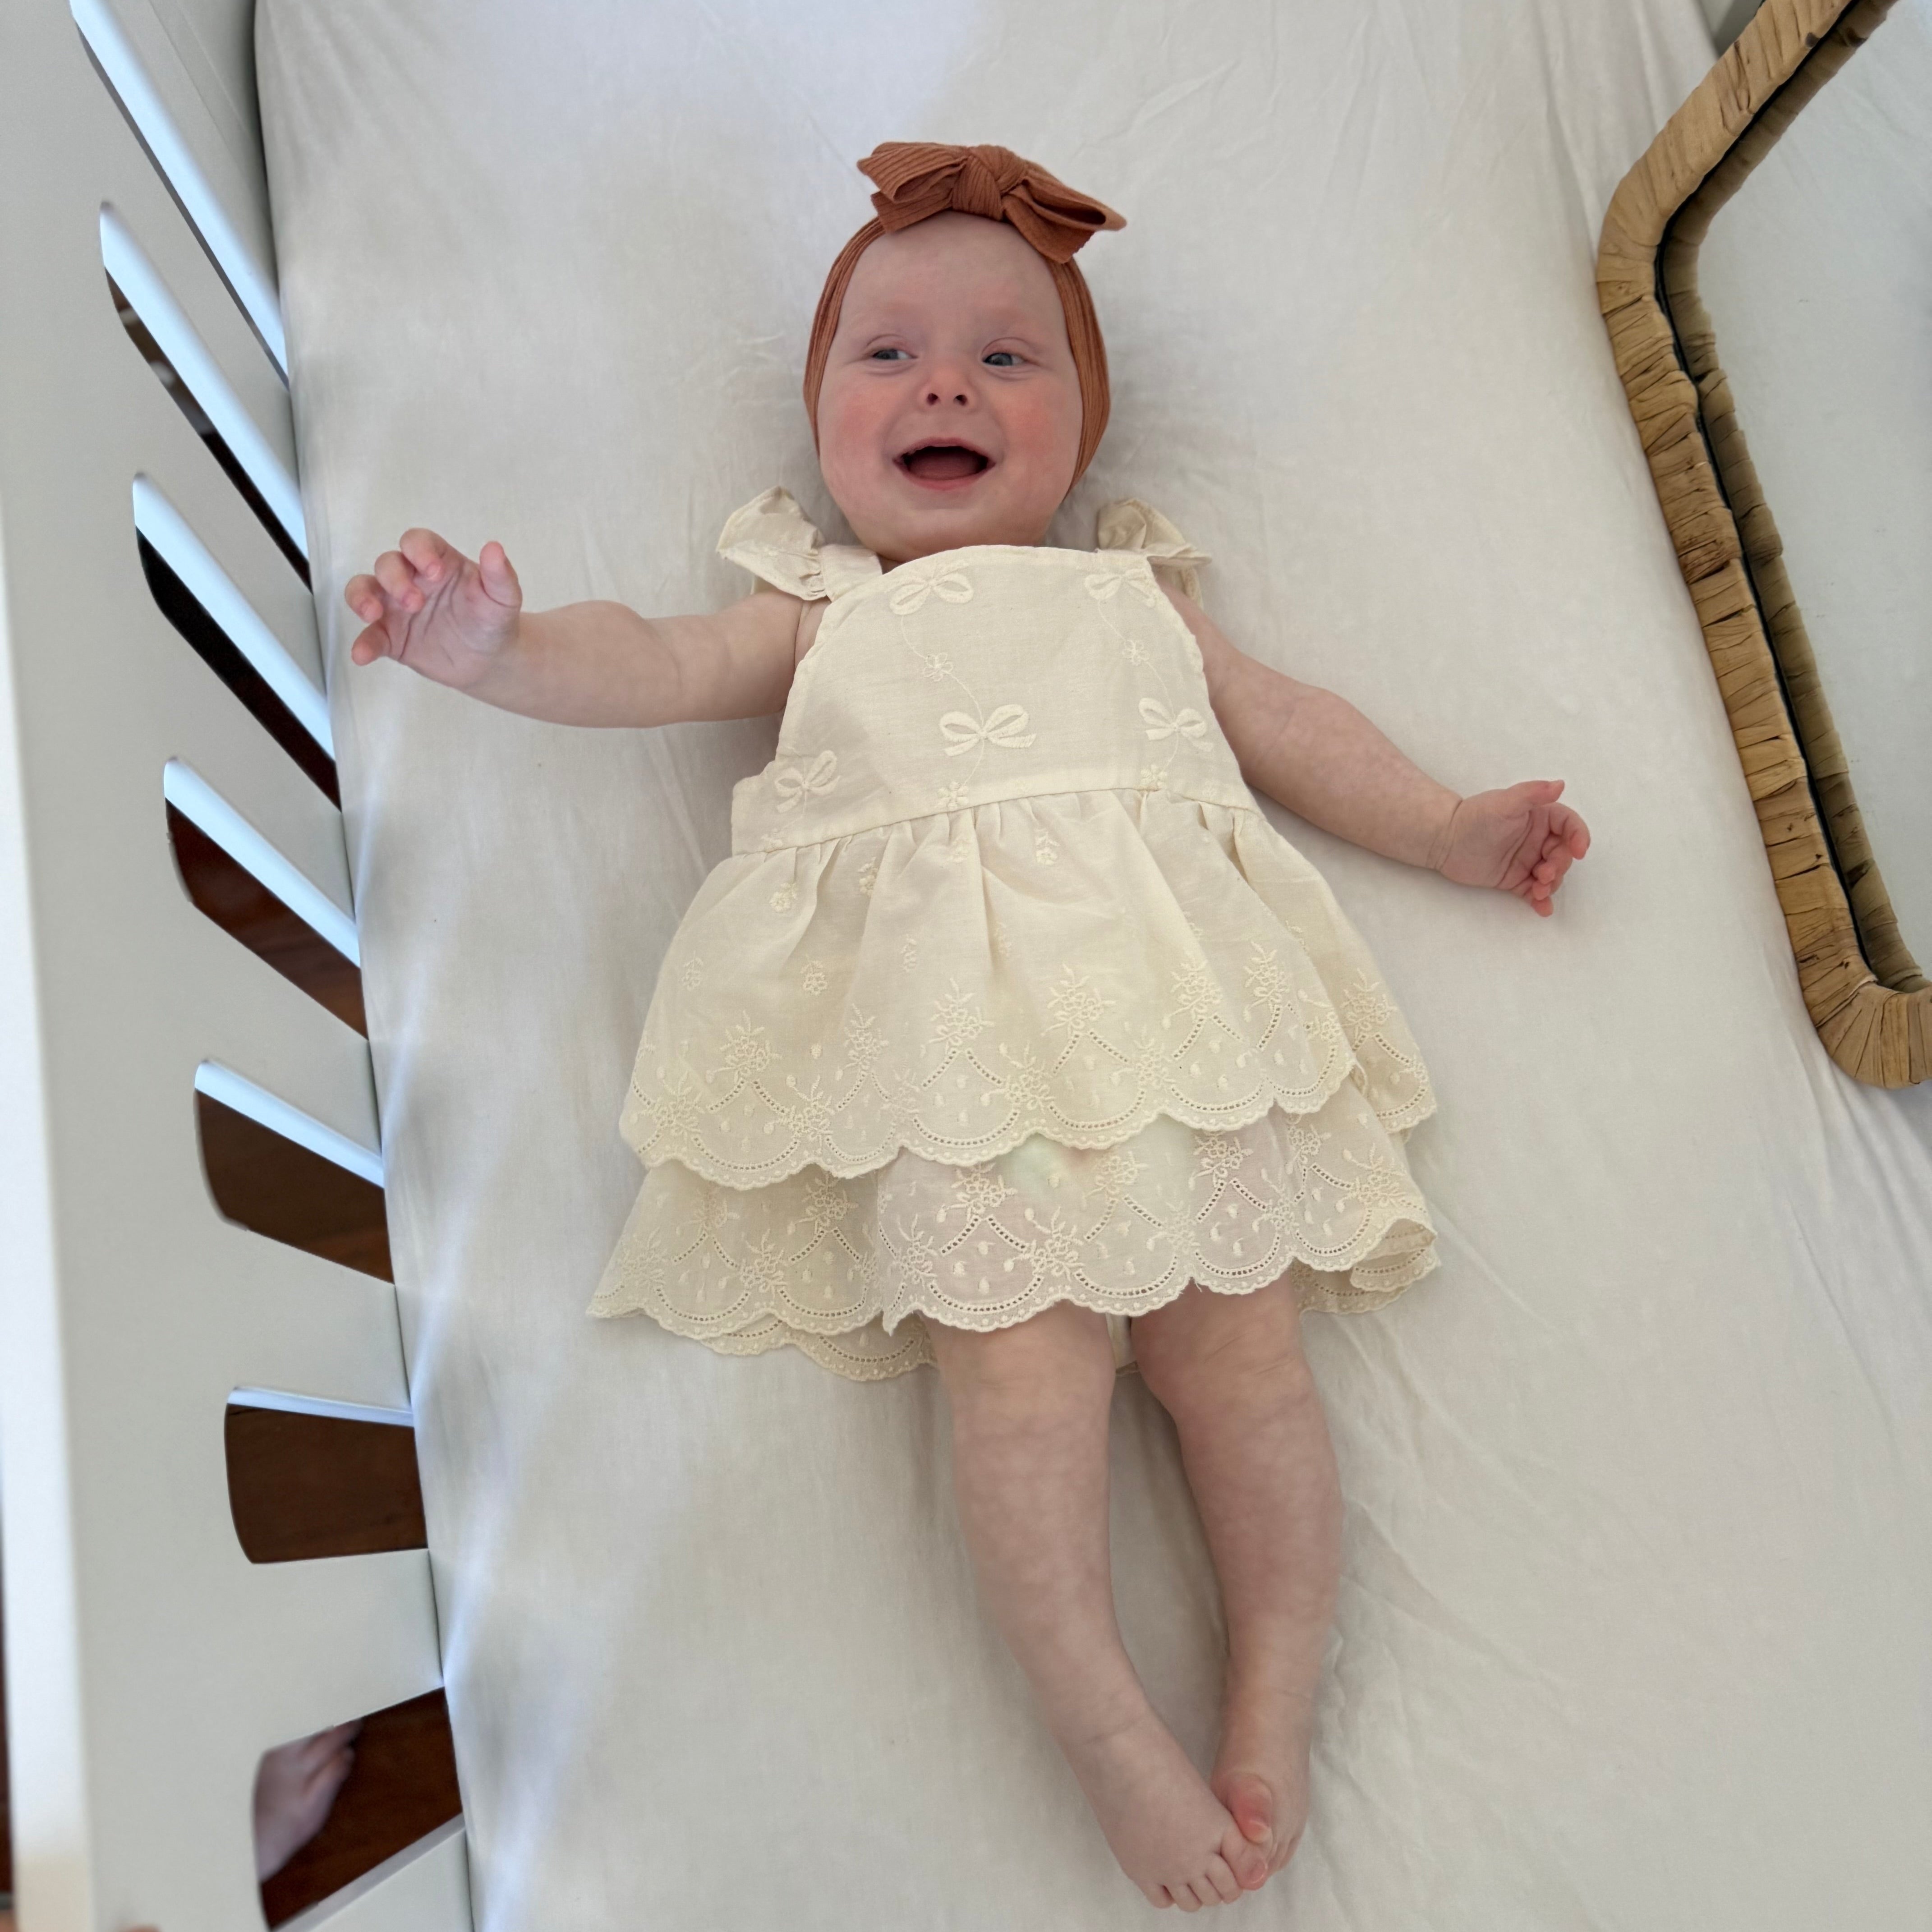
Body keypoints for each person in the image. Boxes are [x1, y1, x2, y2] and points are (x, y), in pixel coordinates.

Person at [344, 143, 1589, 1912]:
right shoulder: (819, 606)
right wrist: (500, 648)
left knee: (1247, 1373)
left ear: (1083, 426)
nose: (945, 383)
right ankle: (1105, 1728)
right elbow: (656, 662)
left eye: (1008, 356)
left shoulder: (1135, 597)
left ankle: (1276, 1690)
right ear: (821, 422)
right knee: (1020, 1393)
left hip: (1174, 1039)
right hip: (963, 1080)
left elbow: (1295, 726)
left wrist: (1451, 826)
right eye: (889, 355)